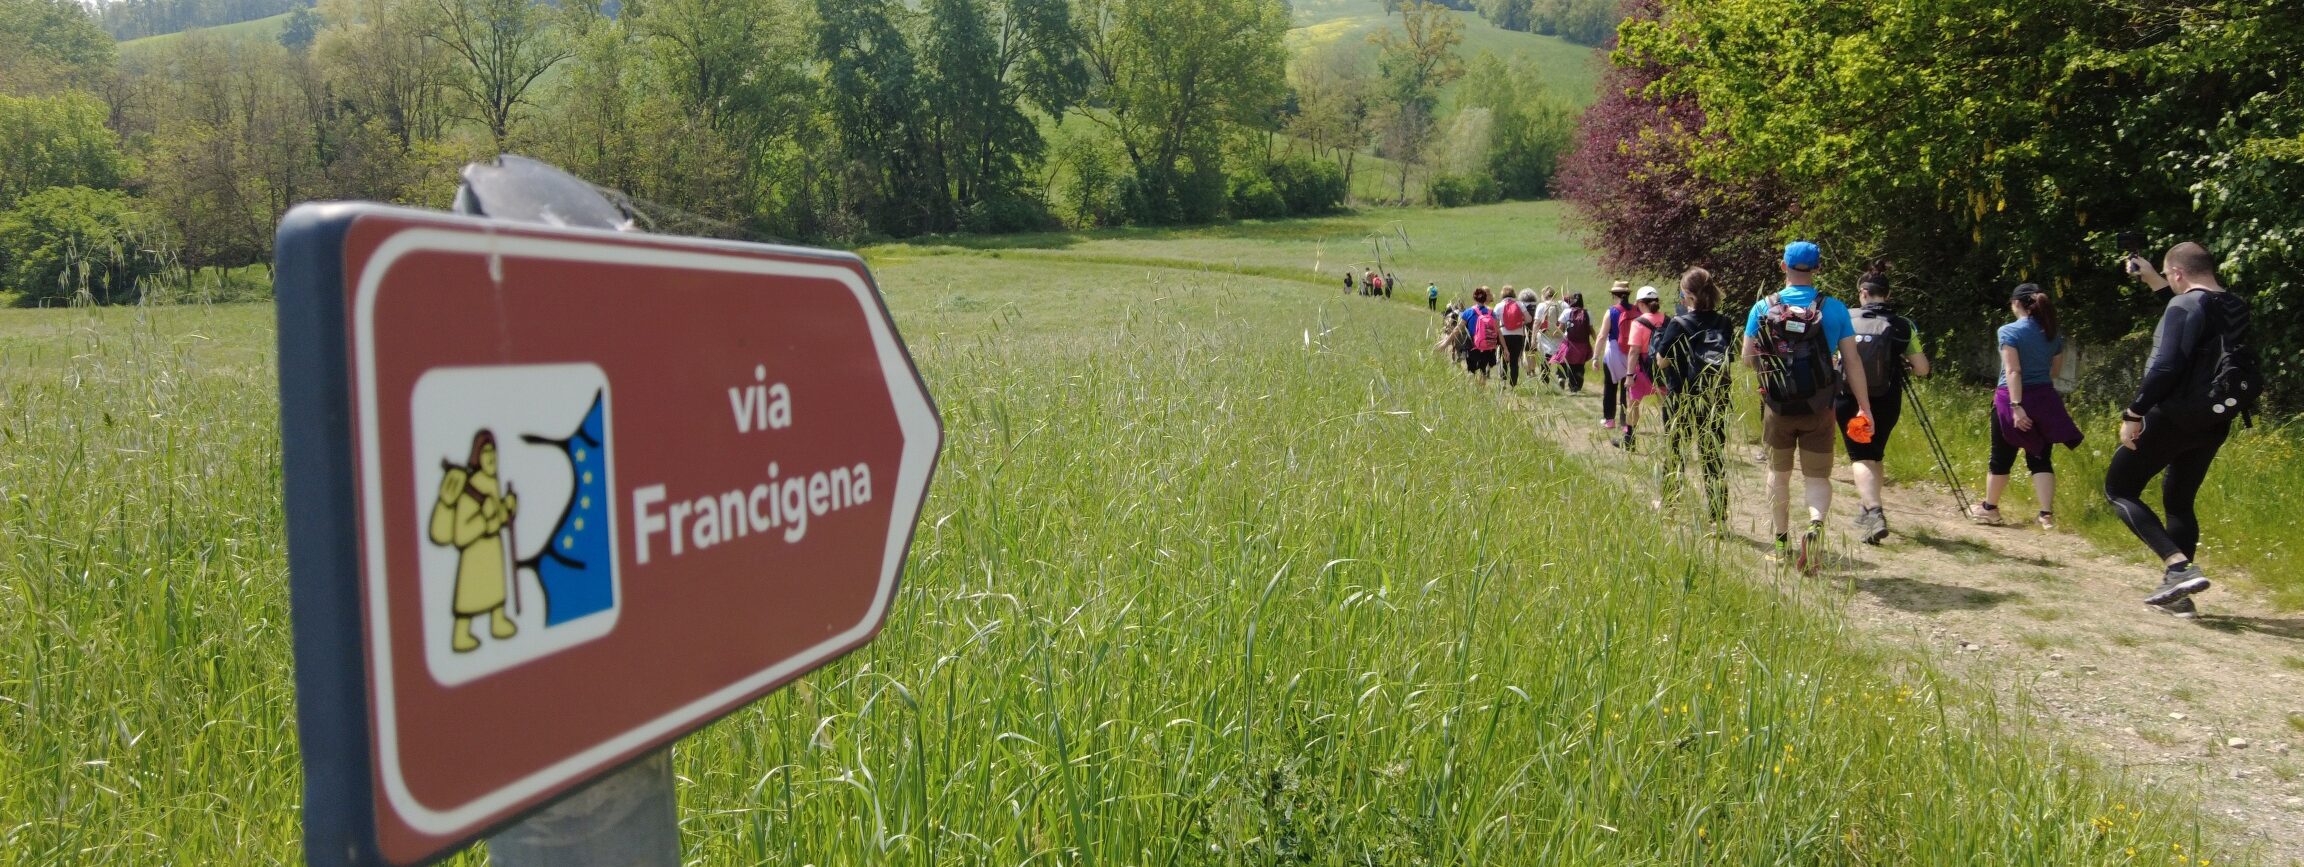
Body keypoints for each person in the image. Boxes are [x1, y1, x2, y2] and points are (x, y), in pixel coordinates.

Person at [2112, 242, 2255, 616]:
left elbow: (2166, 365)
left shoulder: (2185, 304)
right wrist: (2155, 281)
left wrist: (2134, 413)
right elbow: (2197, 325)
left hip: (2171, 416)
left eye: (2169, 275)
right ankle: (2179, 598)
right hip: (2213, 420)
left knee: (2119, 489)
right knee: (2178, 501)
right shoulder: (2234, 305)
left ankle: (2178, 567)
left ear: (2178, 273)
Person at [1744, 241, 1874, 572]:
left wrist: (1773, 377)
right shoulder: (1835, 309)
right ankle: (1815, 525)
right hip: (1820, 407)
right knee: (1817, 477)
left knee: (1778, 474)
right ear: (1817, 269)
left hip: (1778, 408)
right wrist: (1864, 407)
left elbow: (1747, 358)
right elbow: (1852, 362)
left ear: (1782, 266)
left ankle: (1781, 543)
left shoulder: (1762, 307)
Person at [1966, 283, 2082, 533]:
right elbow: (2055, 371)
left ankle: (1990, 509)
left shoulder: (2009, 331)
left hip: (2012, 398)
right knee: (2040, 458)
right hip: (2044, 399)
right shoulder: (2052, 333)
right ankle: (2046, 515)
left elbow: (2013, 371)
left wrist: (2017, 406)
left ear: (2016, 303)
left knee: (2001, 457)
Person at [1838, 262, 1931, 544]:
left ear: (1863, 292)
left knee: (1860, 456)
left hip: (1849, 397)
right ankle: (1867, 509)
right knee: (1875, 454)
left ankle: (1875, 512)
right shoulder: (1903, 325)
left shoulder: (1845, 319)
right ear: (1887, 295)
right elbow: (1922, 369)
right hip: (1887, 398)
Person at [1654, 268, 1738, 525]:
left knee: (1675, 451)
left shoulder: (1678, 324)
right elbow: (1728, 358)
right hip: (1714, 397)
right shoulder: (1724, 323)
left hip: (1681, 395)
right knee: (1713, 454)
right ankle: (1717, 515)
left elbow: (1661, 362)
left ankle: (1669, 506)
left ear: (1689, 296)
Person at [1618, 286, 1669, 450]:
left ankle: (1629, 440)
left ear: (1640, 303)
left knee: (1633, 404)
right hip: (1663, 367)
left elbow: (1634, 351)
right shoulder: (1668, 320)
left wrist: (1629, 375)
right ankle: (1671, 441)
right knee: (1667, 405)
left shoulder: (1638, 323)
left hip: (1642, 369)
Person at [1599, 281, 1635, 428]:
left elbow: (1602, 335)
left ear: (1614, 295)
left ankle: (1609, 420)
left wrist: (1595, 356)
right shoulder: (1636, 310)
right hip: (1632, 352)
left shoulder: (1611, 311)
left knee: (1610, 386)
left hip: (1614, 352)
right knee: (1628, 389)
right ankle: (1626, 422)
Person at [1551, 292, 1594, 392]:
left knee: (1568, 363)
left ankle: (1567, 382)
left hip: (1569, 343)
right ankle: (1577, 386)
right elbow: (1591, 330)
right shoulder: (1588, 313)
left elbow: (1561, 327)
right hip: (1583, 344)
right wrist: (1597, 340)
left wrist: (1554, 333)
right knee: (1580, 365)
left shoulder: (1567, 312)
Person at [1460, 287, 1500, 381]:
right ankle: (1482, 388)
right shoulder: (1491, 312)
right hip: (1487, 346)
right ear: (1485, 298)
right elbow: (1497, 331)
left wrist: (1445, 342)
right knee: (1483, 370)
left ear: (1474, 298)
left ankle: (1473, 388)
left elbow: (1458, 329)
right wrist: (1504, 347)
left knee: (1471, 371)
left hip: (1472, 345)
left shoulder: (1468, 312)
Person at [1496, 285, 1530, 388]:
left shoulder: (1499, 306)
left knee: (1503, 359)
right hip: (1518, 335)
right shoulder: (1520, 304)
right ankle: (1513, 384)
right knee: (1514, 361)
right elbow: (1529, 319)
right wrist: (1520, 322)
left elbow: (1495, 323)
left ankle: (1503, 382)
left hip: (1503, 335)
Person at [1524, 288, 1556, 388]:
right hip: (1557, 334)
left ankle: (1538, 374)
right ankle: (1561, 376)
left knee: (1540, 355)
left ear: (1543, 296)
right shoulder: (1559, 305)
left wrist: (1533, 338)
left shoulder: (1541, 306)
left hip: (1543, 334)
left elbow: (1536, 323)